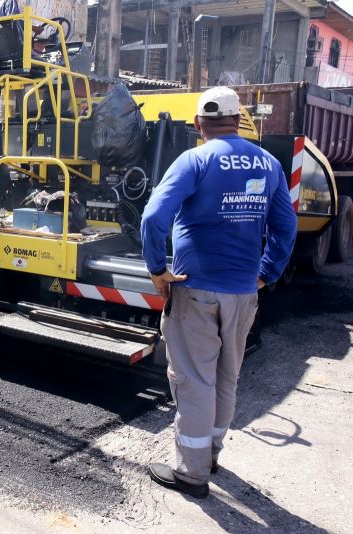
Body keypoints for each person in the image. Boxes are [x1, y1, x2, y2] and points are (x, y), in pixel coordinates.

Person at [140, 86, 297, 499]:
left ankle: (192, 475)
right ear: (239, 119)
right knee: (227, 377)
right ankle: (210, 454)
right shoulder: (269, 163)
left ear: (197, 124)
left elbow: (154, 216)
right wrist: (267, 273)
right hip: (244, 291)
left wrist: (158, 269)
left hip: (195, 291)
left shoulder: (195, 159)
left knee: (194, 379)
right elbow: (286, 227)